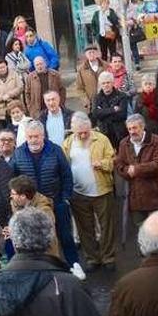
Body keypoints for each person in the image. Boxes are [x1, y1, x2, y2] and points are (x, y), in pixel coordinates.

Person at [11, 120, 80, 268]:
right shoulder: (18, 153)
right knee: (38, 239)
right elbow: (13, 178)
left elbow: (66, 175)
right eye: (30, 137)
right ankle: (49, 269)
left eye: (36, 136)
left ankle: (74, 265)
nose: (33, 140)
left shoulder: (55, 150)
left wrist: (65, 197)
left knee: (65, 236)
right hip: (31, 205)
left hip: (57, 201)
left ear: (43, 135)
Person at [63, 112, 117, 271]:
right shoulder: (67, 143)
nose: (83, 134)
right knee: (85, 228)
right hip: (78, 193)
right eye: (79, 132)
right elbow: (64, 166)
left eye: (86, 131)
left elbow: (113, 160)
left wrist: (103, 163)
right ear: (72, 130)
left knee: (107, 226)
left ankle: (109, 258)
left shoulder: (102, 139)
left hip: (102, 190)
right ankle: (92, 258)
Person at [116, 113, 158, 228]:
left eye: (134, 128)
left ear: (142, 127)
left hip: (155, 196)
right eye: (129, 129)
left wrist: (136, 169)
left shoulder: (157, 141)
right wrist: (126, 170)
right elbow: (119, 164)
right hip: (135, 198)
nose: (132, 132)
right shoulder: (124, 143)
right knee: (141, 232)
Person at [7, 175, 60, 258]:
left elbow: (46, 232)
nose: (11, 196)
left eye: (13, 194)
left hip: (45, 255)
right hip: (26, 254)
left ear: (23, 196)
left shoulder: (44, 210)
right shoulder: (15, 203)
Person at [91, 72, 129, 147]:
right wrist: (113, 110)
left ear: (112, 83)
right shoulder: (96, 98)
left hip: (119, 133)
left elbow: (122, 115)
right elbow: (95, 114)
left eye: (108, 82)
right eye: (103, 83)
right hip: (104, 132)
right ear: (100, 85)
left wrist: (102, 114)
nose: (106, 85)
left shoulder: (122, 96)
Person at [0, 59, 24, 129]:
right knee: (5, 129)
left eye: (4, 67)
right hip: (1, 110)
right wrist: (1, 97)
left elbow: (20, 87)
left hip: (15, 106)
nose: (2, 69)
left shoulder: (14, 74)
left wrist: (10, 94)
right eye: (0, 68)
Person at [134, 74, 158, 140]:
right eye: (145, 84)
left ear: (154, 85)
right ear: (142, 86)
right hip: (147, 131)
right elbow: (137, 116)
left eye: (150, 84)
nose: (148, 86)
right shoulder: (139, 99)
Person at [76, 45, 110, 112]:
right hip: (91, 104)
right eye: (89, 53)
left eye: (93, 52)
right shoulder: (81, 69)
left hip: (107, 101)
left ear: (98, 53)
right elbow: (79, 88)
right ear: (86, 55)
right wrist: (86, 102)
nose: (92, 54)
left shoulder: (106, 66)